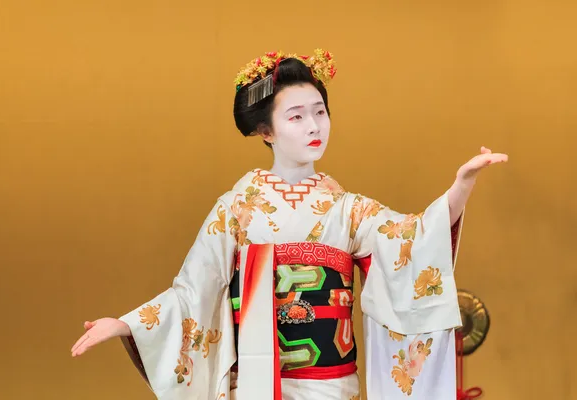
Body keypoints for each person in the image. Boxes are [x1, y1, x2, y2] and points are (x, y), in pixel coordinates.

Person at [71, 49, 508, 400]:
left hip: (334, 386)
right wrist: (127, 323)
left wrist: (460, 186)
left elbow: (413, 239)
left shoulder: (348, 209)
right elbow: (193, 290)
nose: (314, 126)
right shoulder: (238, 207)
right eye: (296, 116)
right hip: (260, 384)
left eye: (319, 111)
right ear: (267, 131)